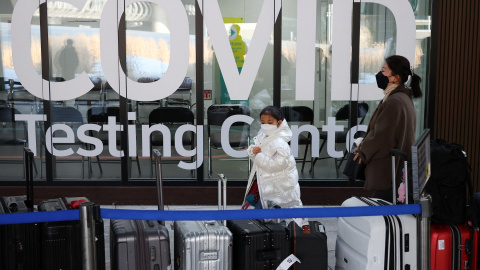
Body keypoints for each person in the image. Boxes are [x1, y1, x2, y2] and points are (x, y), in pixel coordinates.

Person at [354, 55, 422, 203]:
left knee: (380, 212)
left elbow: (382, 136)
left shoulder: (394, 101)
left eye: (383, 70)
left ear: (395, 78)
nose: (380, 74)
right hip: (394, 170)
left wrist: (363, 150)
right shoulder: (400, 98)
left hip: (389, 172)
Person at [242, 106, 309, 230]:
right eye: (263, 122)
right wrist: (253, 151)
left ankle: (278, 240)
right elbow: (257, 158)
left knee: (274, 219)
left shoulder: (279, 142)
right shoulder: (263, 136)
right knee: (265, 216)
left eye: (270, 122)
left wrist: (258, 155)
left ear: (278, 123)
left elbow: (278, 165)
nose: (266, 125)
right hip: (267, 186)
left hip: (278, 188)